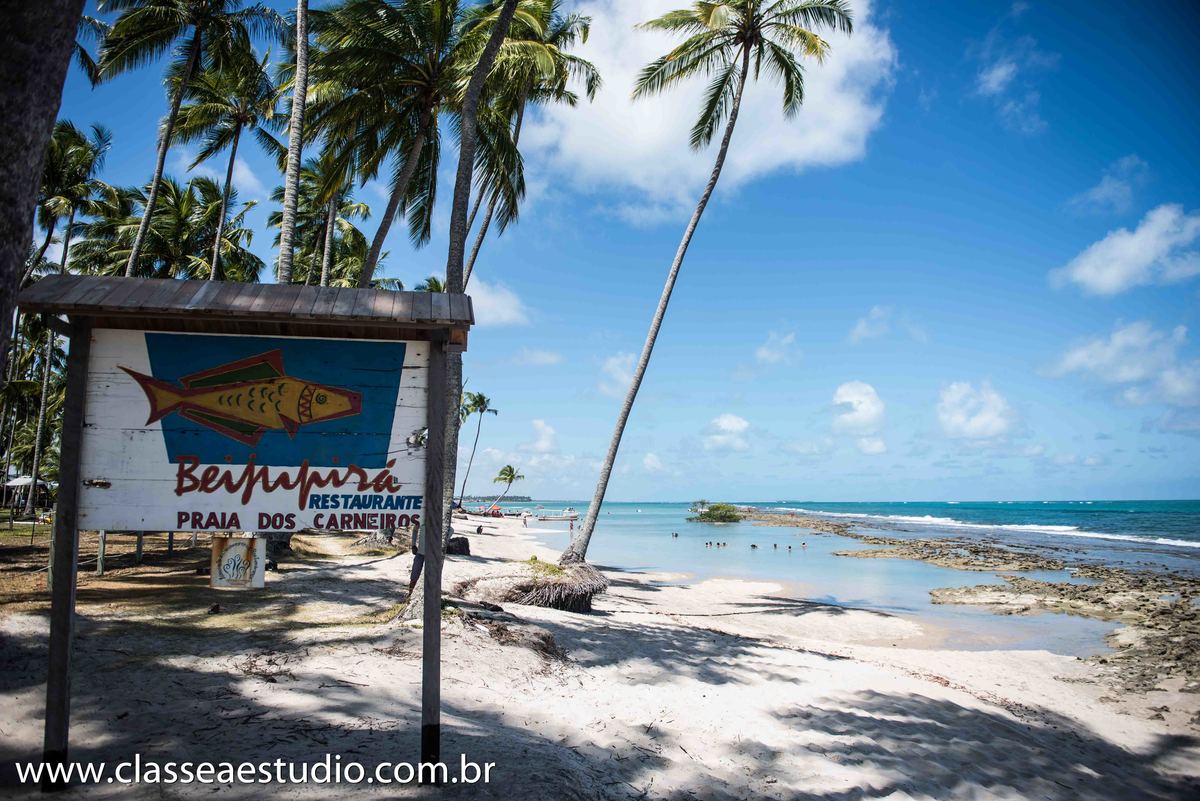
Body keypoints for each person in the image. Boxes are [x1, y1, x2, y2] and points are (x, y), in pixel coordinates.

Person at [406, 521, 423, 597]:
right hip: (420, 552)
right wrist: (413, 545)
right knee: (414, 575)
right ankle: (410, 595)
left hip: (433, 555)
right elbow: (415, 529)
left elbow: (450, 530)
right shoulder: (423, 519)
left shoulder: (440, 520)